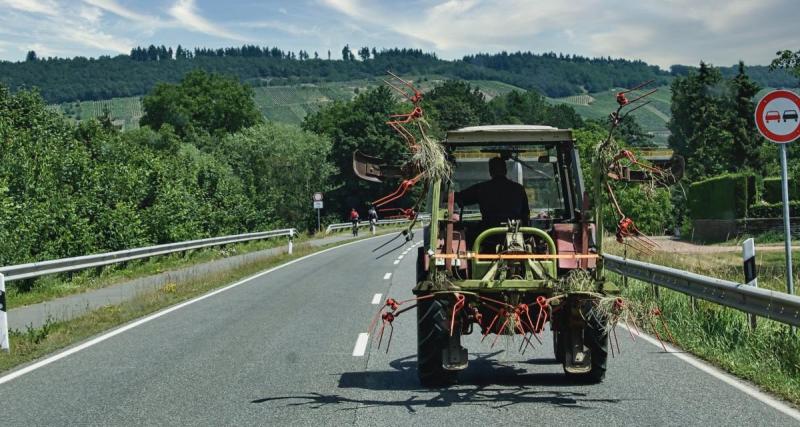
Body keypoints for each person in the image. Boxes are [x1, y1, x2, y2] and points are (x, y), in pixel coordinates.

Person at [455, 157, 530, 227]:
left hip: (487, 236)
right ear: (505, 171)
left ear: (490, 171)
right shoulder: (519, 189)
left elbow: (461, 197)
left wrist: (446, 196)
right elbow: (525, 215)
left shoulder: (482, 188)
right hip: (515, 234)